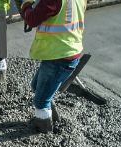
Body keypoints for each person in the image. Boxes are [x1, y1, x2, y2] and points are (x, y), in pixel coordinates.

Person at [19, 0, 86, 133]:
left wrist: (25, 6)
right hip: (69, 51)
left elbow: (32, 20)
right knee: (36, 86)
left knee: (40, 101)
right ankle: (52, 115)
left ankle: (43, 128)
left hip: (59, 56)